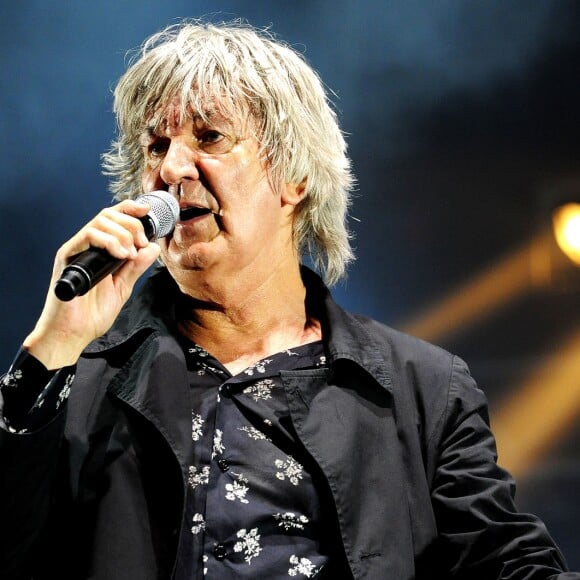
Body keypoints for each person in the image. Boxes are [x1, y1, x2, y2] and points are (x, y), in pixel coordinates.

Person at [0, 18, 578, 580]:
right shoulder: (79, 381)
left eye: (209, 136)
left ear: (294, 177)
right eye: (155, 146)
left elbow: (508, 563)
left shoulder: (423, 391)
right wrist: (54, 345)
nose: (172, 168)